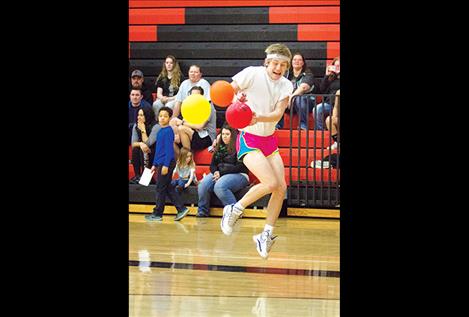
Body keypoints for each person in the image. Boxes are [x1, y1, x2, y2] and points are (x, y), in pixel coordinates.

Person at [220, 43, 294, 259]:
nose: (278, 68)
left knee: (280, 188)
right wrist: (237, 102)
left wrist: (257, 116)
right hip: (248, 138)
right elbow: (228, 93)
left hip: (269, 140)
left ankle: (266, 235)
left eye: (283, 65)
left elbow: (278, 114)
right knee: (270, 183)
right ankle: (234, 209)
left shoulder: (286, 85)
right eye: (275, 63)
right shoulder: (251, 74)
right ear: (267, 62)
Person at [145, 107, 190, 222]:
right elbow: (159, 150)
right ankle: (181, 209)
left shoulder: (169, 131)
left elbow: (169, 150)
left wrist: (165, 165)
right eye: (160, 116)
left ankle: (158, 213)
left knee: (160, 188)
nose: (162, 118)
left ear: (169, 118)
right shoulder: (160, 131)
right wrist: (154, 164)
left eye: (165, 116)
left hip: (167, 163)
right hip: (161, 163)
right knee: (168, 187)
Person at [197, 124, 250, 217]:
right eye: (223, 134)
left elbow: (239, 166)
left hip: (239, 174)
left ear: (232, 135)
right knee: (203, 184)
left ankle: (234, 213)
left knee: (220, 186)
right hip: (220, 173)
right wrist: (216, 172)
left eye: (227, 134)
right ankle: (202, 211)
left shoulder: (240, 147)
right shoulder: (219, 147)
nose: (224, 136)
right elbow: (212, 165)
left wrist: (220, 173)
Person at [277, 52, 316, 130]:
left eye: (299, 60)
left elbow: (304, 87)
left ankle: (303, 125)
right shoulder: (287, 75)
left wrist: (291, 97)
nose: (296, 61)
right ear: (291, 62)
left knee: (299, 98)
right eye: (294, 60)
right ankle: (277, 126)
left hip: (306, 102)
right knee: (280, 98)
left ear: (303, 63)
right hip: (289, 104)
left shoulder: (308, 74)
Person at [173, 85, 217, 152]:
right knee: (173, 140)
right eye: (192, 96)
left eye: (197, 96)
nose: (194, 98)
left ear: (202, 96)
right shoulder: (191, 106)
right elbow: (185, 121)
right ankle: (182, 161)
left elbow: (200, 126)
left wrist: (182, 123)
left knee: (181, 128)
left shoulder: (208, 107)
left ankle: (187, 159)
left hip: (207, 137)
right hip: (195, 133)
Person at [130, 107, 159, 184]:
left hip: (155, 151)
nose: (139, 117)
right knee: (136, 149)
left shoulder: (156, 126)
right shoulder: (136, 126)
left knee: (144, 150)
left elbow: (148, 143)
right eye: (138, 115)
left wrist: (143, 129)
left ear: (148, 115)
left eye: (142, 115)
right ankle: (137, 175)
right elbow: (133, 143)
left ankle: (146, 176)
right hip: (143, 150)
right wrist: (140, 143)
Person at [312, 57, 340, 130]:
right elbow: (322, 89)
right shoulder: (331, 78)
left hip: (338, 105)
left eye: (339, 66)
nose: (337, 68)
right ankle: (321, 130)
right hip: (329, 104)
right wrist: (327, 75)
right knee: (317, 109)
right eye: (336, 66)